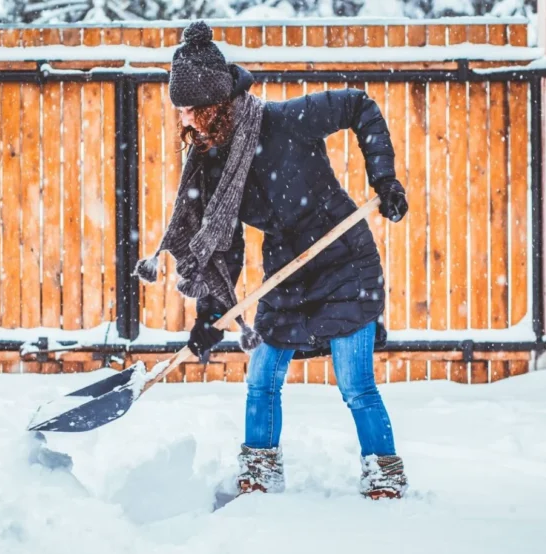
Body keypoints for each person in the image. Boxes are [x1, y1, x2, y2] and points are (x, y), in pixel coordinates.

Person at [134, 21, 410, 500]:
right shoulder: (213, 163)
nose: (190, 120)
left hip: (344, 261)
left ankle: (384, 475)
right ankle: (259, 471)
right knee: (261, 378)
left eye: (197, 109)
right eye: (184, 110)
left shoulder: (284, 121)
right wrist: (211, 315)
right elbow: (225, 246)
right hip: (287, 271)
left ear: (219, 104)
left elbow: (358, 105)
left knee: (355, 383)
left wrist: (384, 180)